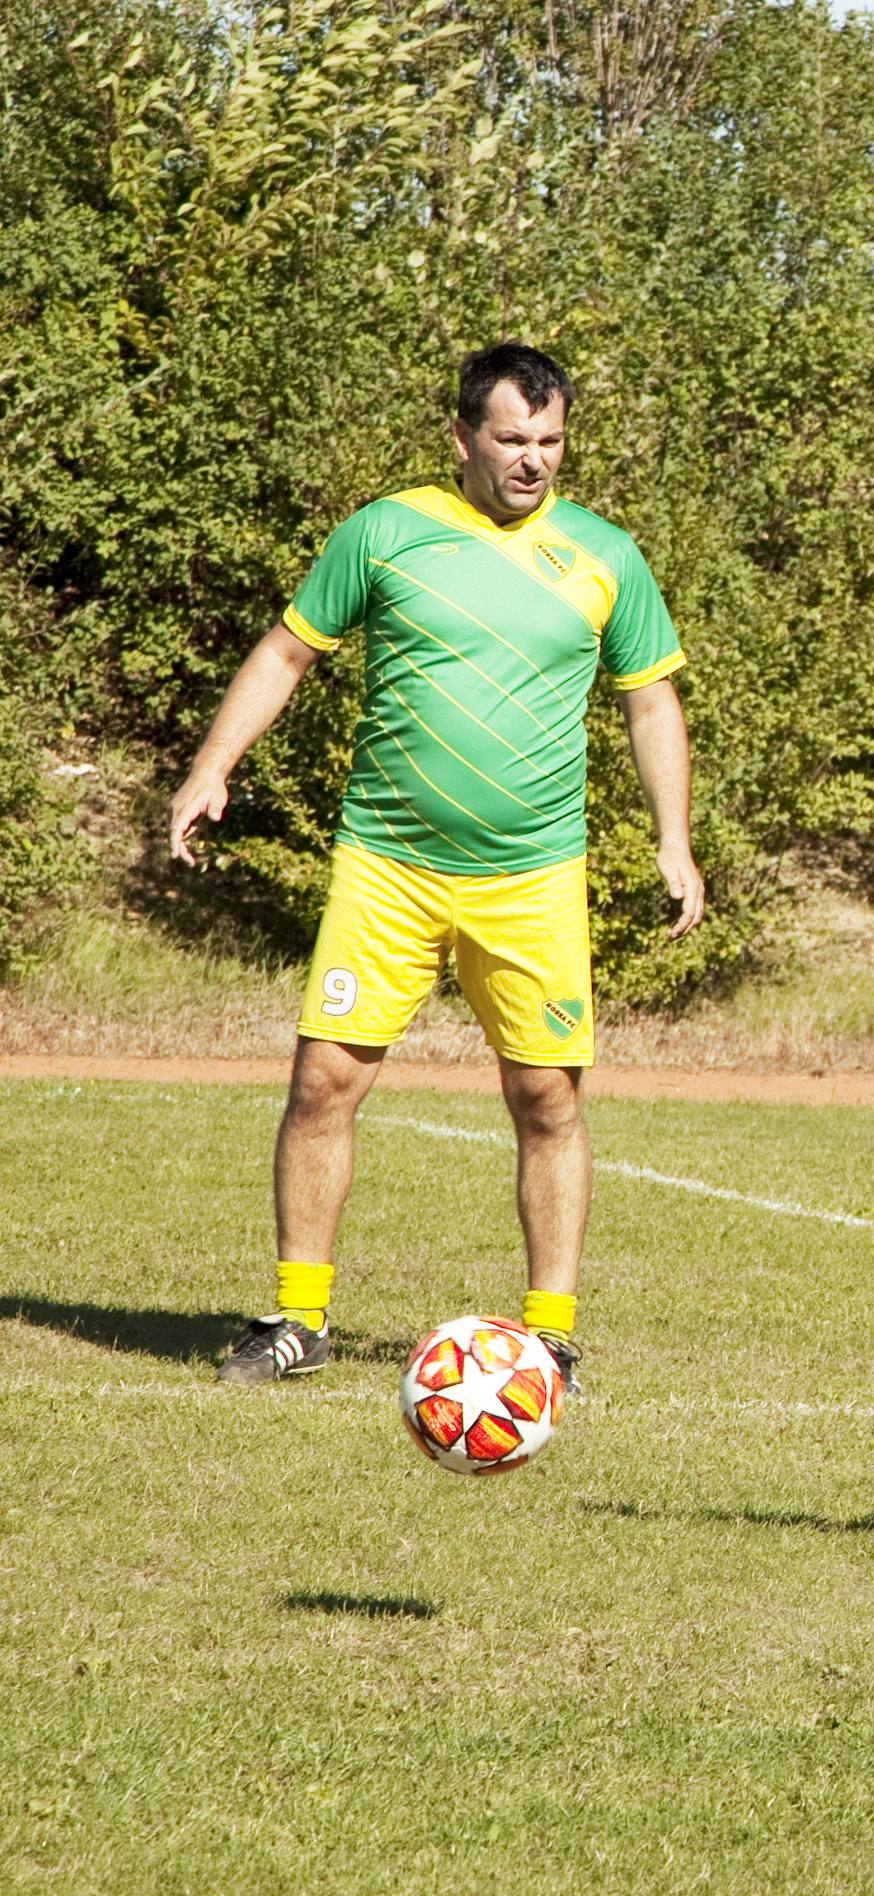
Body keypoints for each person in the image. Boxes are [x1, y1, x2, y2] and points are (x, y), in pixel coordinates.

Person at [167, 342, 704, 1389]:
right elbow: (286, 650)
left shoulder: (605, 555)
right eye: (511, 438)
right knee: (323, 1081)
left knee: (547, 1097)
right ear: (461, 437)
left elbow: (650, 699)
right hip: (388, 865)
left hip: (534, 875)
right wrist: (210, 768)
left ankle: (548, 1336)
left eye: (550, 441)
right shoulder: (385, 533)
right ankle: (298, 1320)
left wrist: (673, 838)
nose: (533, 460)